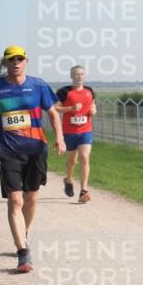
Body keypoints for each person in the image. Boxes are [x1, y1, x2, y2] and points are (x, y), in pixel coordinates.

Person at [0, 46, 65, 273]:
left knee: (31, 197)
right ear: (5, 63)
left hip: (36, 149)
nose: (15, 62)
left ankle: (23, 233)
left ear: (26, 61)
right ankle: (23, 253)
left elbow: (53, 112)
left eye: (19, 59)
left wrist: (60, 138)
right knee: (15, 200)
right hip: (7, 151)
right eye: (11, 59)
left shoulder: (38, 85)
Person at [55, 64, 97, 203]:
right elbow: (56, 108)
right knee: (72, 160)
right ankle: (68, 180)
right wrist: (71, 108)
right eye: (76, 74)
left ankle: (83, 191)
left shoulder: (89, 91)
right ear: (71, 76)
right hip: (69, 131)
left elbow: (93, 107)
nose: (79, 76)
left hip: (85, 130)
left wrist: (93, 111)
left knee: (85, 157)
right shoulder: (64, 91)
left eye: (82, 74)